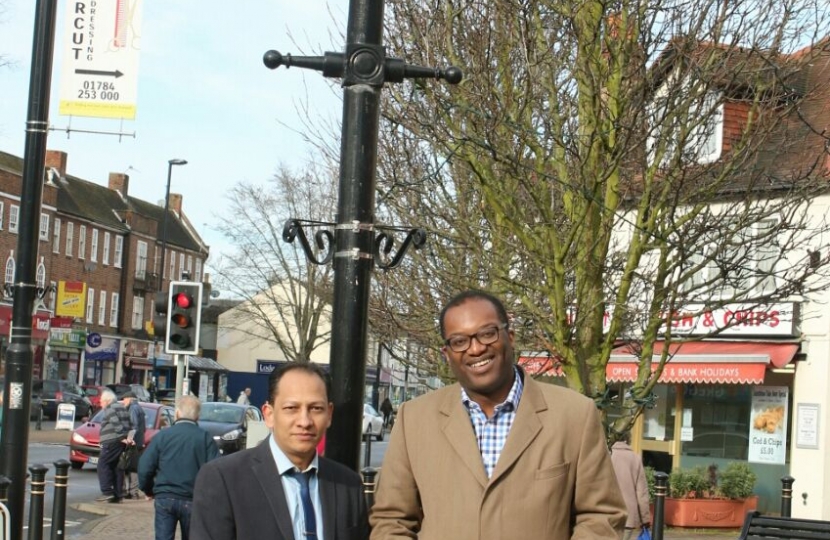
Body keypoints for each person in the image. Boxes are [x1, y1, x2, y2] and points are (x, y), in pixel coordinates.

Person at [370, 290, 627, 539]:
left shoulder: (574, 415)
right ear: (447, 354)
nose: (475, 349)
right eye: (459, 341)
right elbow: (391, 520)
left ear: (510, 337)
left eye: (487, 334)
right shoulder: (414, 419)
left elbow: (601, 518)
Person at [191, 363, 369, 540]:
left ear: (329, 414)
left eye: (316, 408)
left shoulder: (349, 485)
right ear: (269, 414)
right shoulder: (224, 479)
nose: (305, 421)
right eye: (291, 408)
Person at [139, 395, 219, 540]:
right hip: (193, 499)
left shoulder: (163, 436)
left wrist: (148, 489)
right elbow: (215, 472)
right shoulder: (205, 438)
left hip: (165, 497)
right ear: (197, 416)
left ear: (177, 413)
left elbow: (145, 466)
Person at [611, 432, 651, 540]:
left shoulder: (608, 455)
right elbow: (641, 492)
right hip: (628, 515)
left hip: (608, 513)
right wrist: (645, 519)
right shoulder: (635, 458)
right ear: (628, 439)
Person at [95, 389, 132, 503]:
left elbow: (116, 423)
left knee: (103, 464)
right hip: (120, 442)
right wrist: (127, 438)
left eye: (101, 401)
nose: (100, 404)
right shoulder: (123, 408)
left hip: (111, 441)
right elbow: (129, 424)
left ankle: (107, 492)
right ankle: (117, 495)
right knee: (116, 467)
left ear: (107, 400)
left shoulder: (110, 408)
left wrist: (121, 437)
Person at [122, 391, 146, 499]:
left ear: (130, 399)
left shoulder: (133, 409)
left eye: (124, 399)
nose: (123, 401)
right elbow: (143, 428)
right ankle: (133, 492)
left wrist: (129, 440)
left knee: (127, 466)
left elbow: (134, 426)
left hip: (133, 443)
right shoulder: (139, 408)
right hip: (139, 442)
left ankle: (130, 492)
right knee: (134, 467)